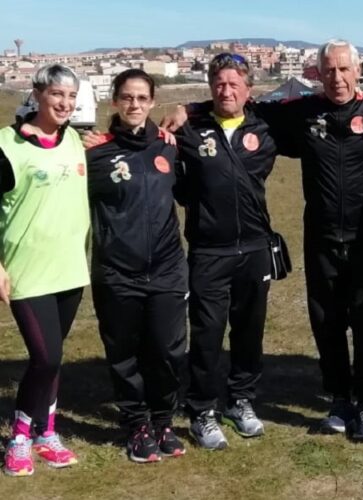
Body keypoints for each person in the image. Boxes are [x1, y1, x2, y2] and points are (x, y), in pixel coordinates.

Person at [163, 40, 363, 442]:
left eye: (344, 70)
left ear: (358, 72)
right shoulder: (298, 112)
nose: (337, 77)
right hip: (318, 237)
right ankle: (338, 399)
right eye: (329, 70)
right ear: (317, 74)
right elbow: (234, 103)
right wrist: (189, 109)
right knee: (327, 323)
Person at [86, 69, 188, 462]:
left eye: (142, 98)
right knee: (124, 354)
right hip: (117, 273)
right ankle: (136, 424)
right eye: (127, 98)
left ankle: (163, 420)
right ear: (114, 101)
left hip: (166, 269)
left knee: (166, 350)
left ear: (152, 102)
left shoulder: (166, 147)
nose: (134, 105)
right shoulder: (95, 152)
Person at [176, 53, 276, 450]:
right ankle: (201, 409)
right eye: (219, 84)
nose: (226, 90)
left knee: (249, 332)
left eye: (234, 84)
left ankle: (241, 401)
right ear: (210, 88)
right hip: (209, 250)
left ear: (248, 90)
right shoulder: (190, 128)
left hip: (254, 247)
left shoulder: (265, 128)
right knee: (207, 334)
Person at [0, 64, 90, 476]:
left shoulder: (75, 140)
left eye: (71, 97)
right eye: (57, 94)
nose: (65, 103)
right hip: (27, 271)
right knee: (46, 356)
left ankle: (46, 433)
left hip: (71, 269)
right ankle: (19, 439)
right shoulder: (6, 145)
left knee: (53, 360)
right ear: (37, 94)